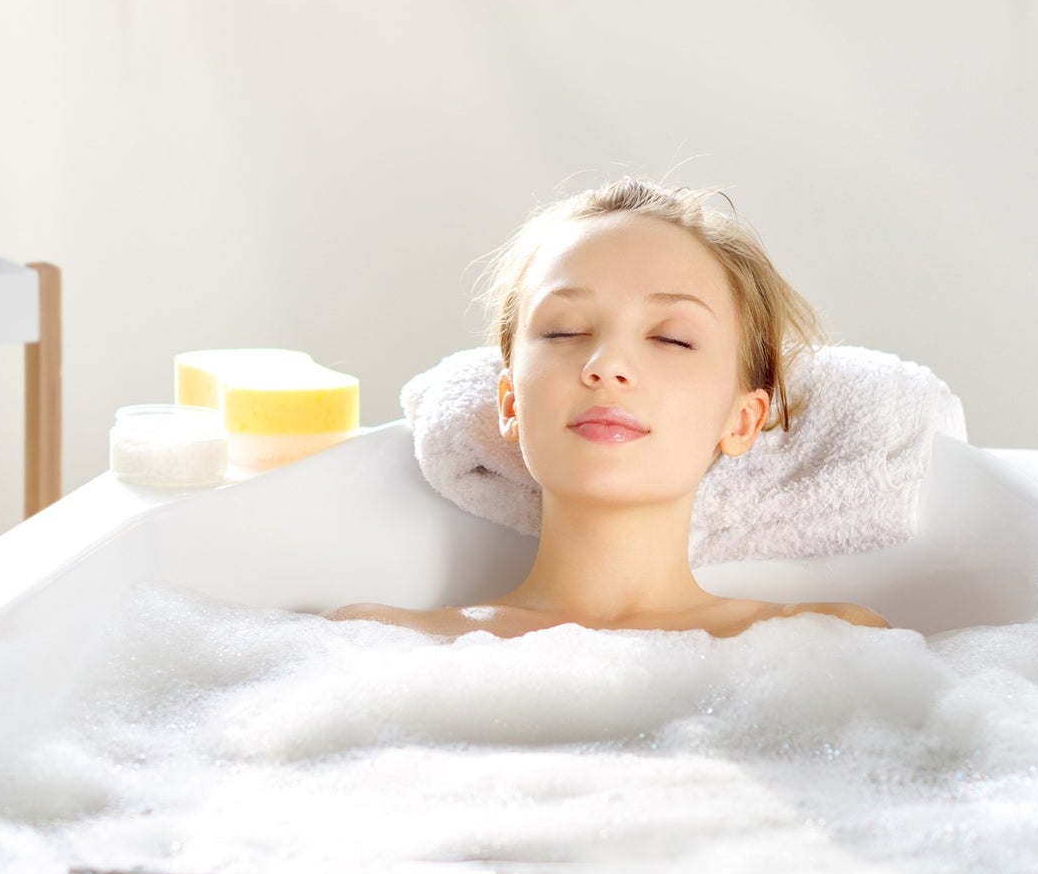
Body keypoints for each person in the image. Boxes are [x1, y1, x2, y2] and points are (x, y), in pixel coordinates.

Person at [327, 176, 892, 641]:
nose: (607, 365)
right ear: (510, 403)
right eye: (565, 330)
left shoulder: (831, 646)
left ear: (741, 420)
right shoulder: (379, 645)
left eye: (672, 339)